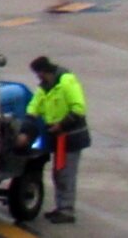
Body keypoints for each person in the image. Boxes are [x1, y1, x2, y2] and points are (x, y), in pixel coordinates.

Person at [28, 56, 90, 224]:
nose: (37, 77)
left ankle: (67, 210)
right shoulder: (45, 87)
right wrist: (29, 118)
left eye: (38, 73)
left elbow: (78, 109)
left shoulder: (66, 82)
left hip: (70, 137)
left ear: (43, 71)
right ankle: (61, 207)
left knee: (66, 174)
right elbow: (35, 105)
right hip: (58, 137)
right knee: (59, 173)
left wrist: (61, 125)